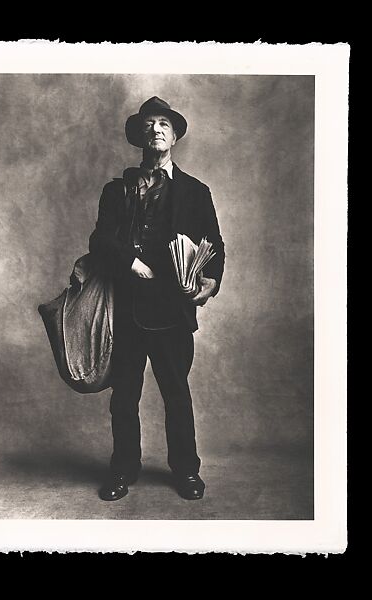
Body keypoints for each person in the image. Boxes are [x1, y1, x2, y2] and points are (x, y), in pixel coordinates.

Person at [89, 96, 225, 501]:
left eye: (163, 123)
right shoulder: (117, 190)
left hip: (173, 310)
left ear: (174, 134)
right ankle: (122, 470)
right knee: (124, 396)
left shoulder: (196, 191)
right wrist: (131, 263)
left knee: (177, 395)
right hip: (127, 308)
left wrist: (210, 283)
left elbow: (214, 243)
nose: (156, 130)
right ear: (140, 136)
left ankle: (186, 471)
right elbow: (99, 240)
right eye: (149, 124)